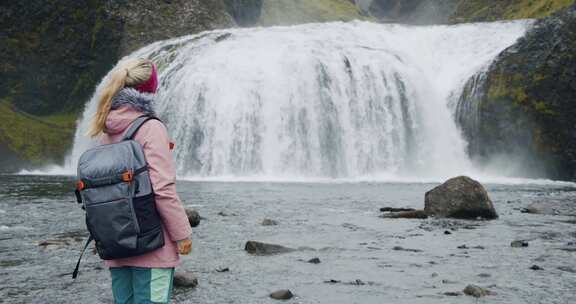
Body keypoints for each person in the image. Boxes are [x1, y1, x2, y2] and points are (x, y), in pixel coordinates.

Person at [87, 58, 193, 304]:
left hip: (117, 244)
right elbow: (162, 189)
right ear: (151, 89)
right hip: (152, 246)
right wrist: (183, 233)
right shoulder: (151, 127)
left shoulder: (108, 129)